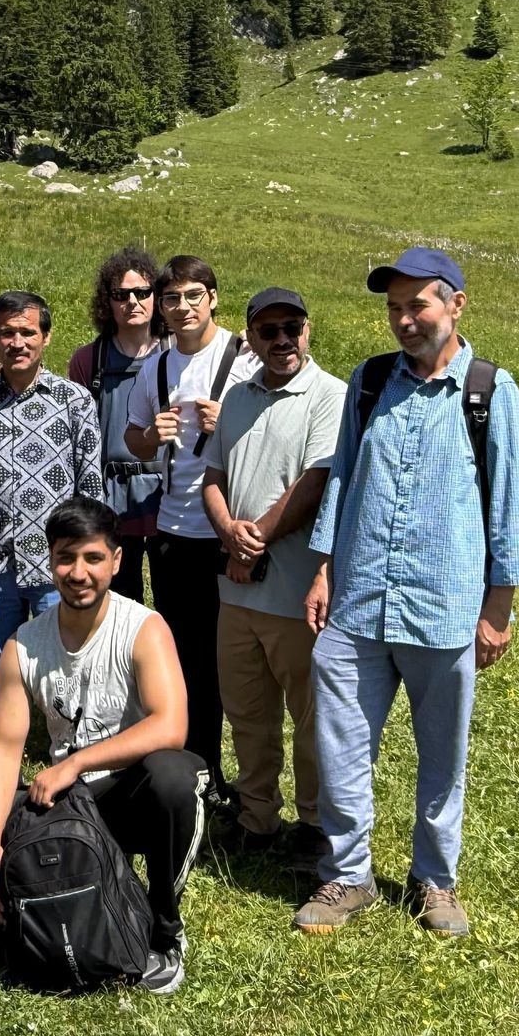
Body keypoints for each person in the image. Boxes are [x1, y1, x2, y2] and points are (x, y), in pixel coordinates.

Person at [294, 248, 519, 938]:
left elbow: (507, 505)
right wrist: (324, 568)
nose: (403, 320)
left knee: (441, 753)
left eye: (416, 305)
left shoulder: (490, 391)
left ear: (456, 303)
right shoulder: (369, 383)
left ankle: (435, 880)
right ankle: (348, 875)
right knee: (339, 743)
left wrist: (498, 609)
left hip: (445, 605)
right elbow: (342, 478)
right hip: (359, 599)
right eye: (393, 308)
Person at [0, 499, 204, 995]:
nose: (78, 573)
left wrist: (75, 762)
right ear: (50, 560)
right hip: (72, 805)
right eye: (65, 557)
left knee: (175, 776)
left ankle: (164, 929)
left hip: (132, 796)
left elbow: (171, 727)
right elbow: (4, 750)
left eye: (93, 558)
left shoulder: (144, 627)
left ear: (117, 561)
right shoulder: (22, 645)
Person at [200, 287, 345, 861]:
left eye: (293, 328)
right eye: (269, 331)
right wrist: (228, 533)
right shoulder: (236, 397)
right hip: (236, 589)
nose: (282, 340)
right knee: (247, 711)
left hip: (296, 592)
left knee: (310, 718)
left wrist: (252, 541)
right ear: (252, 338)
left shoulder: (331, 396)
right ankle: (257, 817)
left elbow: (315, 482)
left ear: (308, 331)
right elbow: (211, 475)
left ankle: (314, 825)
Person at [123, 256, 257, 804]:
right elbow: (132, 440)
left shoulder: (244, 356)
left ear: (214, 298)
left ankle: (247, 775)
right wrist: (151, 438)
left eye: (193, 296)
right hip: (175, 532)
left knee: (235, 659)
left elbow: (276, 424)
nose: (182, 308)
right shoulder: (154, 367)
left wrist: (227, 421)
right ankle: (202, 768)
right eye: (173, 298)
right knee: (186, 657)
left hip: (232, 532)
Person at [0, 290, 101, 688]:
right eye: (7, 333)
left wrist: (87, 560)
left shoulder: (74, 401)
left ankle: (66, 746)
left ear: (45, 337)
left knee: (65, 671)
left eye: (27, 333)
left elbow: (91, 491)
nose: (17, 343)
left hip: (57, 565)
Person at [68, 246, 165, 606]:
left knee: (176, 603)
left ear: (157, 296)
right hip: (109, 496)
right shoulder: (88, 360)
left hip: (168, 495)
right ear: (106, 302)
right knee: (116, 603)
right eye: (120, 295)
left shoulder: (176, 354)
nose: (132, 302)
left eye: (142, 292)